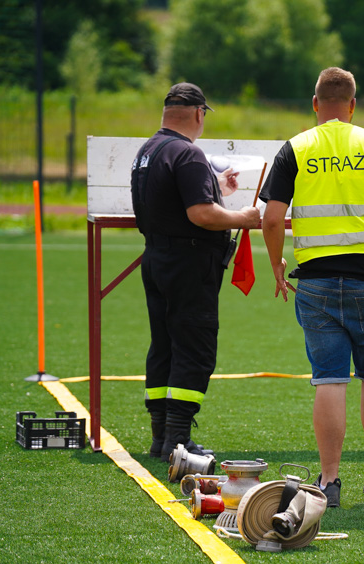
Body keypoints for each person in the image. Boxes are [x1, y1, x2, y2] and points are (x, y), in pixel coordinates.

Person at [260, 67, 364, 508]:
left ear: (315, 104)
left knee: (329, 380)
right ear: (353, 105)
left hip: (315, 283)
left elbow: (272, 219)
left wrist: (276, 264)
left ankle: (329, 483)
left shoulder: (294, 148)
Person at [131, 83, 261, 462]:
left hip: (156, 257)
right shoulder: (188, 153)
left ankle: (160, 437)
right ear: (199, 114)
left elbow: (175, 199)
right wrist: (244, 217)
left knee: (165, 345)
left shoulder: (149, 150)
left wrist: (216, 186)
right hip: (188, 263)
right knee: (194, 347)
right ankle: (178, 441)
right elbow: (200, 214)